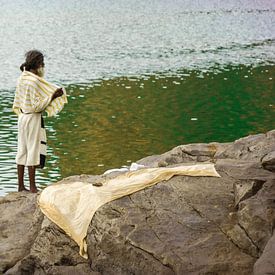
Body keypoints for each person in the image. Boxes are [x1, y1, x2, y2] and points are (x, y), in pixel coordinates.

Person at [13, 50, 65, 193]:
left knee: (22, 150)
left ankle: (20, 186)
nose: (44, 66)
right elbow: (37, 107)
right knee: (33, 150)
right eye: (42, 63)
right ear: (37, 64)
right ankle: (33, 187)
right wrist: (53, 96)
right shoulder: (34, 80)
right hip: (32, 119)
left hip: (22, 118)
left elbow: (17, 101)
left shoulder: (22, 78)